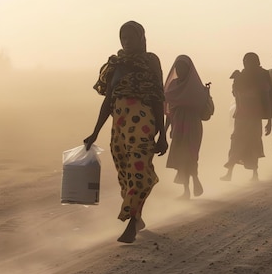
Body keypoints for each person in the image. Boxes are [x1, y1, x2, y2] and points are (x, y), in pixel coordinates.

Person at [84, 21, 167, 243]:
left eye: (130, 37)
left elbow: (158, 98)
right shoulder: (116, 64)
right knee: (127, 176)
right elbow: (108, 101)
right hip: (119, 129)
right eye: (123, 38)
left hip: (143, 126)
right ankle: (137, 217)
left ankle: (131, 224)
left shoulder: (150, 62)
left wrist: (163, 134)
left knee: (140, 174)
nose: (126, 42)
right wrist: (94, 133)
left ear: (142, 38)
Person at [221, 53, 272, 181]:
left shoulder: (262, 75)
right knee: (236, 140)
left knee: (253, 142)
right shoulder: (242, 75)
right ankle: (230, 172)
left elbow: (269, 97)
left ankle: (254, 173)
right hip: (242, 115)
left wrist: (269, 120)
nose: (247, 64)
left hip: (254, 115)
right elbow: (236, 94)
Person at [163, 55, 208, 199]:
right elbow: (169, 111)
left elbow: (203, 109)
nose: (180, 70)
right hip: (178, 126)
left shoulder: (196, 86)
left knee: (191, 155)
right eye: (178, 67)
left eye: (183, 67)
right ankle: (187, 189)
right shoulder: (173, 86)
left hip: (193, 125)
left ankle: (194, 180)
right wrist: (165, 129)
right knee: (181, 158)